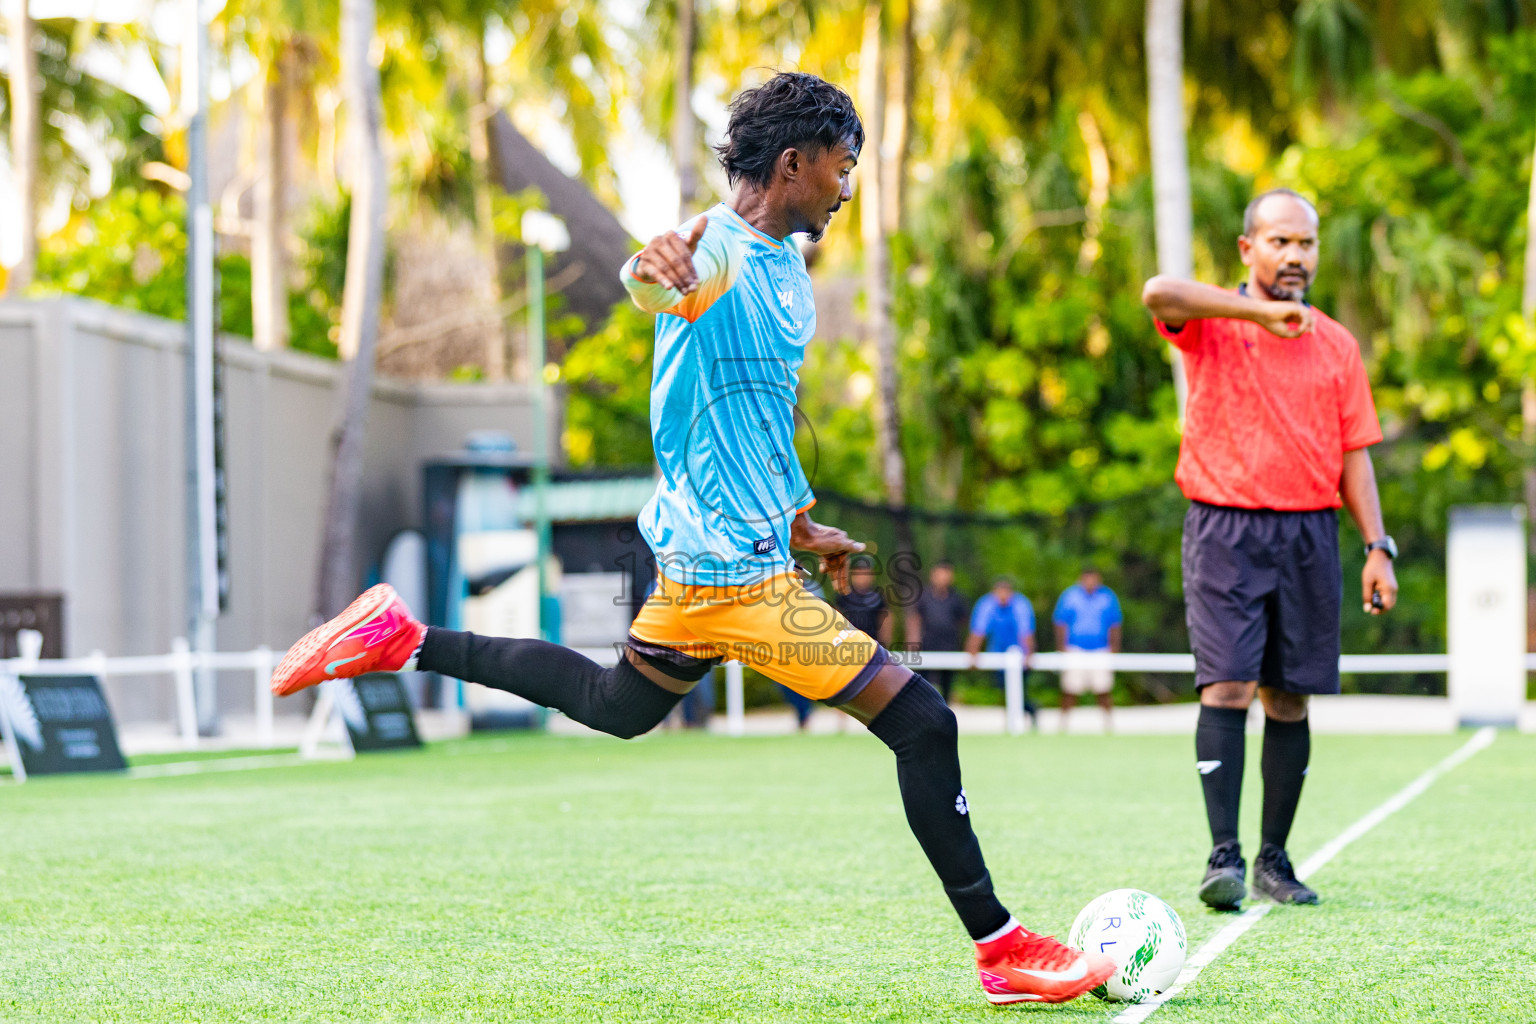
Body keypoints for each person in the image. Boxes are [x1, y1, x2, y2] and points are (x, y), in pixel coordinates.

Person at [271, 72, 1113, 1006]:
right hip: (734, 580)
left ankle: (405, 638)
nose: (845, 187)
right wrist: (652, 264)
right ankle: (1000, 946)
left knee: (615, 703)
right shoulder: (712, 248)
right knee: (926, 721)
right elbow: (653, 275)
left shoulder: (788, 267)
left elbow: (763, 416)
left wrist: (800, 523)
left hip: (714, 567)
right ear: (792, 164)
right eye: (841, 168)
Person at [1142, 187, 1398, 911]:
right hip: (1225, 527)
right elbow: (1157, 291)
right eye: (1279, 241)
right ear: (1248, 249)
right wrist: (1257, 312)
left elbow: (1355, 454)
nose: (1294, 255)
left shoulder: (1338, 344)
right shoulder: (1214, 323)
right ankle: (1222, 855)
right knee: (1226, 685)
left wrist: (1378, 546)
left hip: (1311, 533)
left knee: (1289, 697)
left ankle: (1274, 862)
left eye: (1305, 243)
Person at [1052, 568, 1122, 733]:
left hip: (1100, 648)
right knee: (1070, 689)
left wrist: (1114, 648)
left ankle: (1108, 725)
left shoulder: (1107, 597)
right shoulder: (1070, 596)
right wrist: (1061, 647)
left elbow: (1115, 623)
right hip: (1075, 648)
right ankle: (1063, 725)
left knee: (1103, 689)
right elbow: (1060, 622)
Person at [964, 577, 1038, 730]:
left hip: (1020, 654)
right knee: (1004, 690)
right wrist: (972, 653)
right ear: (994, 592)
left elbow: (1026, 633)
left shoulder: (1021, 604)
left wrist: (1029, 655)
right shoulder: (987, 604)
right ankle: (1016, 719)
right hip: (997, 653)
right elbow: (978, 631)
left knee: (1019, 690)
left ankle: (1029, 712)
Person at [906, 561, 969, 704]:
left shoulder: (957, 598)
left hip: (949, 647)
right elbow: (915, 619)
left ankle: (944, 712)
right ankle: (926, 711)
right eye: (940, 573)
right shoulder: (924, 596)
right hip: (927, 646)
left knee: (947, 684)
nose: (943, 577)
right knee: (924, 684)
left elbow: (964, 621)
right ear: (933, 575)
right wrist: (912, 642)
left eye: (946, 574)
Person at [836, 555, 893, 647]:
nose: (862, 576)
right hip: (849, 645)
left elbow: (886, 620)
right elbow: (837, 619)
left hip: (872, 645)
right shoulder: (843, 595)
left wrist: (884, 644)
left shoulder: (878, 596)